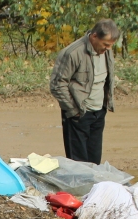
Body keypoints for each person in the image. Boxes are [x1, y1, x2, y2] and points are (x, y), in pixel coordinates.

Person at [49, 19, 119, 164]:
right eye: (105, 44)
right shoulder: (72, 53)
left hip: (99, 112)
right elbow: (57, 84)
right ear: (94, 36)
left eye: (110, 46)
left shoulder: (106, 51)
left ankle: (92, 186)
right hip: (78, 113)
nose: (108, 49)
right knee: (78, 164)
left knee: (94, 162)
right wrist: (73, 111)